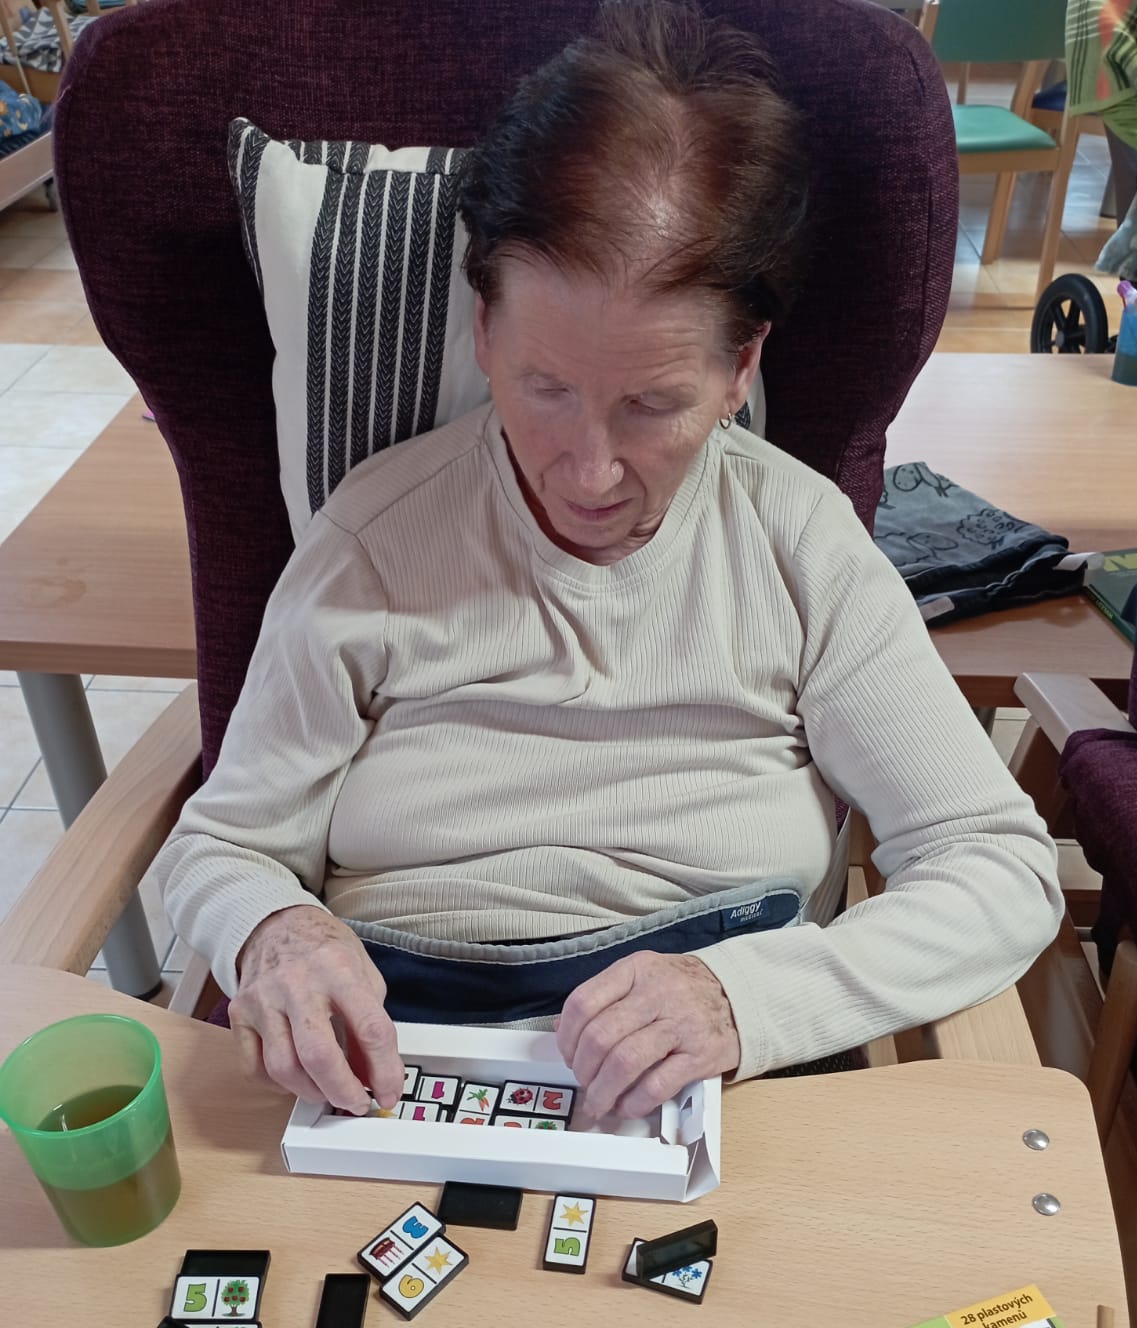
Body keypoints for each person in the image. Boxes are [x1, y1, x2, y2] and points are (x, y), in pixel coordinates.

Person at [155, 0, 1061, 1124]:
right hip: (401, 1052)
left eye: (652, 404)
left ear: (740, 367)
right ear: (484, 331)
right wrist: (276, 930)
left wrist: (753, 1000)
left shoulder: (799, 543)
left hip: (720, 1063)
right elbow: (219, 845)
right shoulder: (374, 539)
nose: (588, 473)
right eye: (543, 388)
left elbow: (996, 864)